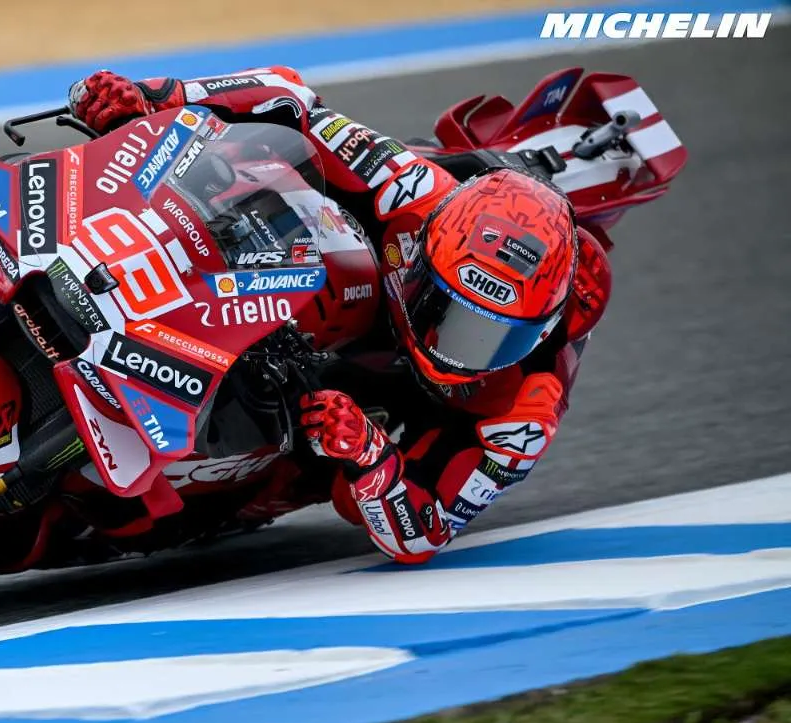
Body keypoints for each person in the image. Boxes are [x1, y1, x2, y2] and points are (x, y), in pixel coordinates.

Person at [67, 67, 612, 563]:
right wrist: (158, 96)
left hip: (338, 405)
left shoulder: (526, 408)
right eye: (444, 312)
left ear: (539, 330)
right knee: (229, 166)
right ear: (422, 258)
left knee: (140, 524)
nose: (454, 346)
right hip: (297, 267)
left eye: (491, 337)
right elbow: (289, 98)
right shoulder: (411, 190)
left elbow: (426, 529)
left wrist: (369, 454)